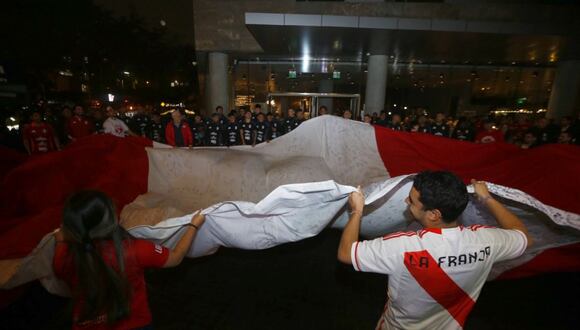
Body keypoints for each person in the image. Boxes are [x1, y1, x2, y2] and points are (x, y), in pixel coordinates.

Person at [338, 171, 532, 330]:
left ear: (434, 214)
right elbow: (524, 236)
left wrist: (357, 211)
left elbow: (347, 253)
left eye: (412, 201)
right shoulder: (486, 241)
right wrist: (487, 198)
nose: (406, 201)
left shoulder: (403, 247)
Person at [53, 191, 205, 329]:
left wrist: (60, 241)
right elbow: (176, 257)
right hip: (134, 324)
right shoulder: (137, 250)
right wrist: (193, 225)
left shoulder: (61, 258)